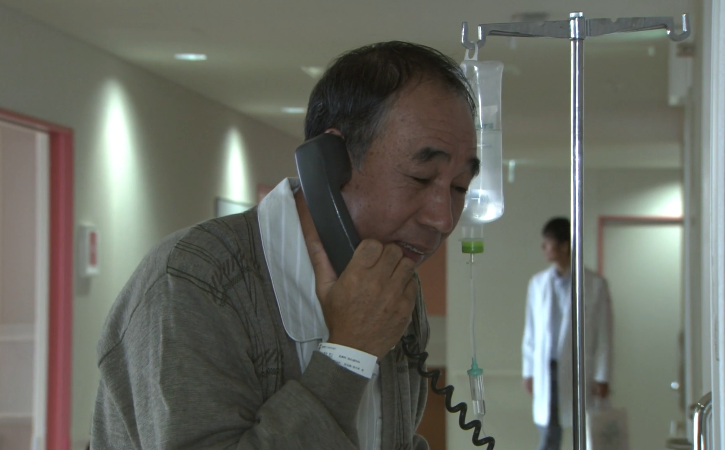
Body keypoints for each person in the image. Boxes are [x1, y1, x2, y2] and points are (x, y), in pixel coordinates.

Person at [90, 41, 479, 450]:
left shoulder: (392, 284)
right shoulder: (196, 281)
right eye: (421, 178)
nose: (443, 218)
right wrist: (349, 353)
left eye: (459, 188)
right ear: (332, 161)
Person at [521, 217, 613, 450]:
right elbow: (531, 331)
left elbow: (604, 335)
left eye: (548, 243)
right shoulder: (537, 283)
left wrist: (602, 376)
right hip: (547, 367)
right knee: (549, 433)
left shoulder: (595, 284)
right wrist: (528, 370)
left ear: (564, 245)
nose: (543, 248)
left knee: (585, 433)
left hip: (579, 369)